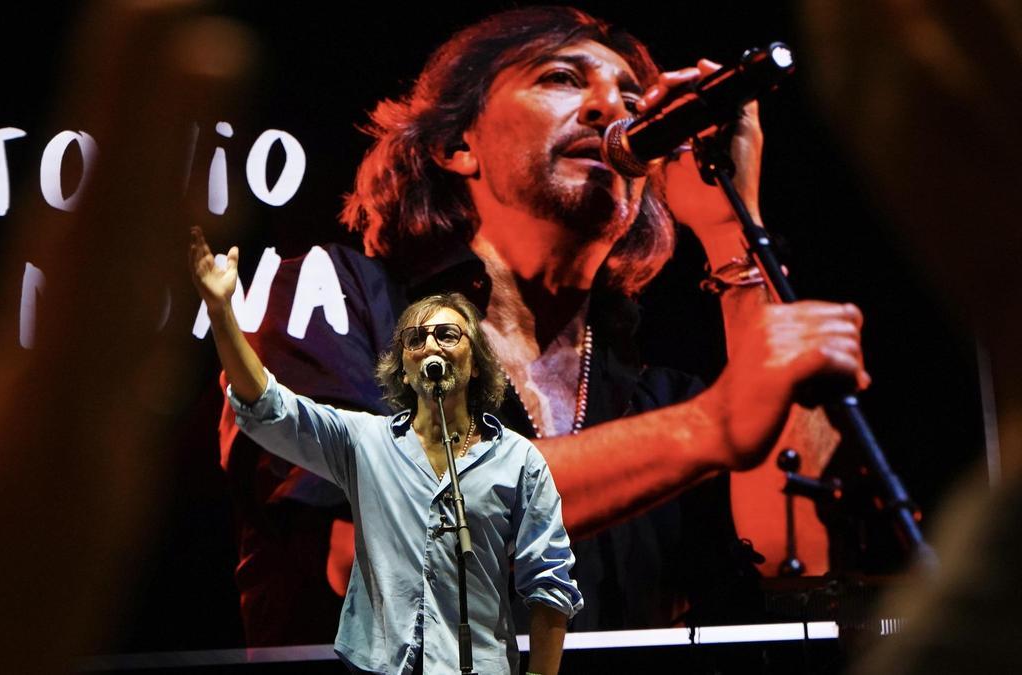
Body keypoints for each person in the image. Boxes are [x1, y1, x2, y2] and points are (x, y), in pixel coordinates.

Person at [213, 6, 869, 645]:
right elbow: (363, 551)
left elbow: (796, 576)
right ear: (455, 143)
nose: (610, 108)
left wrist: (731, 227)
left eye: (632, 98)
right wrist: (710, 427)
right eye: (561, 77)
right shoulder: (334, 296)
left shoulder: (653, 400)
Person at [191, 232, 582, 674]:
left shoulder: (518, 461)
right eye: (417, 340)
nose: (432, 346)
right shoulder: (366, 443)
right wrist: (222, 315)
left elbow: (550, 586)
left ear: (476, 362)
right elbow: (270, 408)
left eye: (448, 335)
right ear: (403, 366)